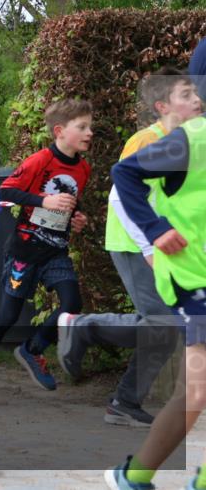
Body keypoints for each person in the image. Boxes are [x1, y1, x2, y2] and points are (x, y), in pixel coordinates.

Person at [58, 68, 199, 427]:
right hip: (135, 243)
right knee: (164, 323)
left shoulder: (186, 140)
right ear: (161, 105)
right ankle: (85, 329)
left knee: (167, 325)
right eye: (186, 96)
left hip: (160, 245)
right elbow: (122, 194)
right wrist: (149, 243)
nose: (197, 100)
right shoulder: (147, 139)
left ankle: (124, 400)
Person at [104, 38, 206, 490]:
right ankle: (135, 475)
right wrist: (155, 230)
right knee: (196, 389)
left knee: (196, 388)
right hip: (193, 280)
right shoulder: (189, 139)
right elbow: (124, 175)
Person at [0, 98, 93, 406]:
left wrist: (77, 217)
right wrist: (42, 202)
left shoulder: (83, 168)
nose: (90, 132)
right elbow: (3, 191)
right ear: (60, 131)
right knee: (8, 314)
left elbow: (71, 201)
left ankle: (33, 349)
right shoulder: (41, 161)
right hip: (25, 250)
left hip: (56, 250)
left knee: (72, 303)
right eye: (83, 127)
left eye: (91, 126)